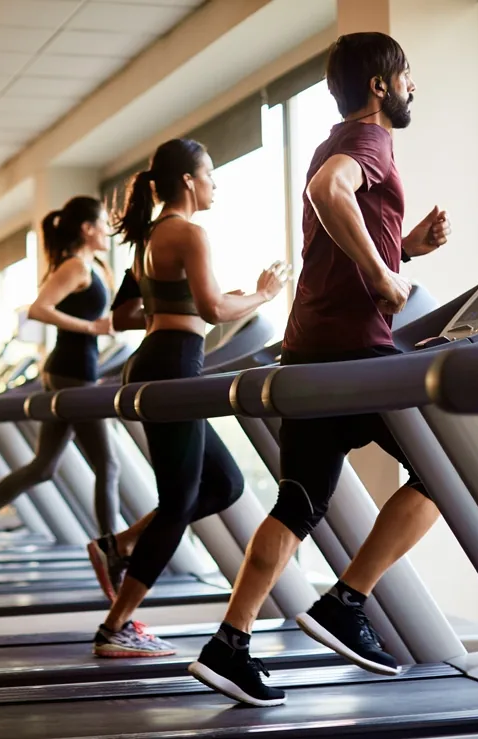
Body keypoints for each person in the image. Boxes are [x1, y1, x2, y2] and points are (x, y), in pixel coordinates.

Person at [188, 31, 452, 706]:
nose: (411, 87)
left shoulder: (333, 139)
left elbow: (335, 227)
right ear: (378, 86)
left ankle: (228, 643)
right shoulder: (364, 144)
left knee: (298, 501)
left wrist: (405, 250)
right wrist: (386, 278)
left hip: (309, 349)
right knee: (449, 473)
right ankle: (346, 599)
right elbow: (326, 193)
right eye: (406, 76)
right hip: (354, 354)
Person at [89, 138, 288, 657]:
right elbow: (215, 306)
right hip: (175, 362)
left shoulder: (148, 240)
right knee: (179, 503)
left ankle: (123, 543)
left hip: (157, 359)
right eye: (210, 173)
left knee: (224, 483)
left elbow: (124, 316)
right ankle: (116, 627)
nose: (215, 183)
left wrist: (166, 312)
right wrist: (264, 293)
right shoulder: (190, 234)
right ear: (187, 181)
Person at [0, 196, 120, 580]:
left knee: (43, 467)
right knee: (107, 464)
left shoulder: (92, 265)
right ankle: (111, 549)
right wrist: (91, 328)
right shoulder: (75, 266)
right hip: (71, 374)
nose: (107, 229)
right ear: (87, 228)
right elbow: (39, 309)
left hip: (77, 372)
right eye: (102, 222)